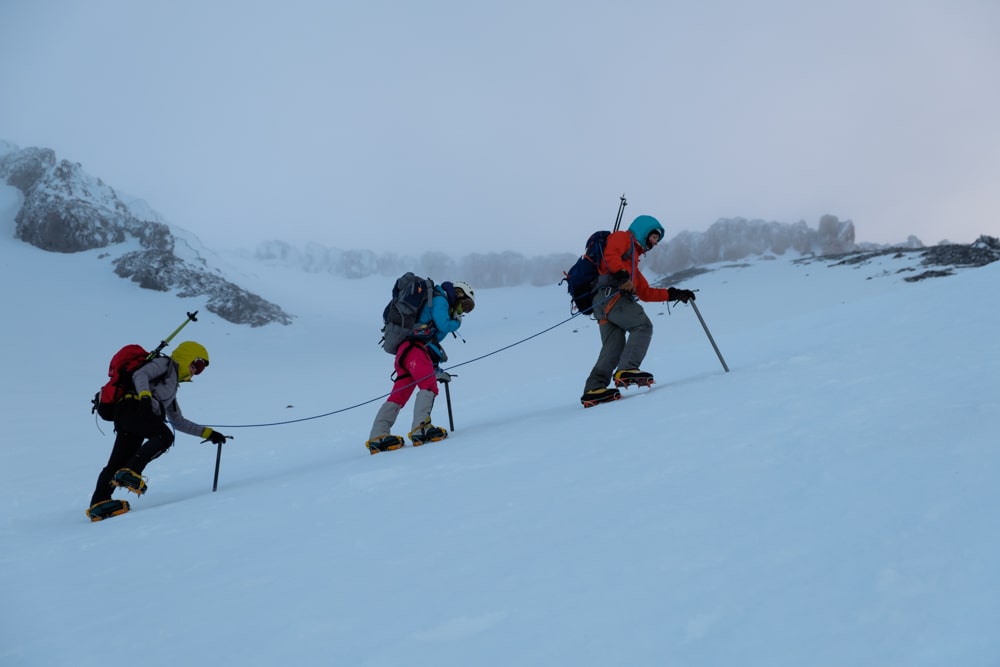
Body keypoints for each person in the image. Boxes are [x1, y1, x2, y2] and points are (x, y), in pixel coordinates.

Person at [86, 340, 229, 521]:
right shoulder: (166, 364)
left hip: (131, 416)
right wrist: (145, 397)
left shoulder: (170, 387)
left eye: (200, 370)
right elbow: (141, 373)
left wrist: (209, 433)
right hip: (134, 408)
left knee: (117, 462)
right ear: (187, 358)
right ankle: (131, 472)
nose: (196, 371)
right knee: (164, 436)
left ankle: (99, 503)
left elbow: (177, 421)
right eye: (197, 365)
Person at [581, 215, 696, 407]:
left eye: (657, 240)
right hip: (611, 296)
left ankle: (594, 388)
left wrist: (674, 294)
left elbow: (646, 292)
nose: (655, 243)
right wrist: (621, 276)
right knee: (643, 325)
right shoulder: (623, 237)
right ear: (644, 231)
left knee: (614, 346)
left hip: (602, 304)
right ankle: (627, 369)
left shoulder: (633, 266)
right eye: (654, 237)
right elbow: (611, 254)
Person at [366, 281, 475, 454]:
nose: (461, 312)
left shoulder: (436, 301)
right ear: (459, 294)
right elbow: (443, 325)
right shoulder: (441, 299)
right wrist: (457, 322)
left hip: (405, 352)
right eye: (464, 307)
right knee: (428, 384)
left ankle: (378, 435)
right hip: (415, 349)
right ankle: (421, 428)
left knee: (399, 395)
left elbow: (434, 335)